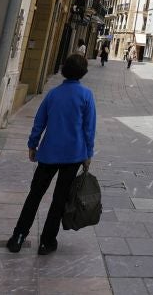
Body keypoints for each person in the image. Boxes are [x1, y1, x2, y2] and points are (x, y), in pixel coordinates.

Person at [7, 54, 96, 255]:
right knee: (59, 199)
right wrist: (88, 154)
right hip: (73, 156)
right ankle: (47, 242)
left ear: (64, 70)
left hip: (48, 154)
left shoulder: (53, 94)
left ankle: (18, 237)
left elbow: (40, 121)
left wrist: (32, 144)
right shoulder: (86, 95)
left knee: (35, 195)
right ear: (83, 73)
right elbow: (89, 129)